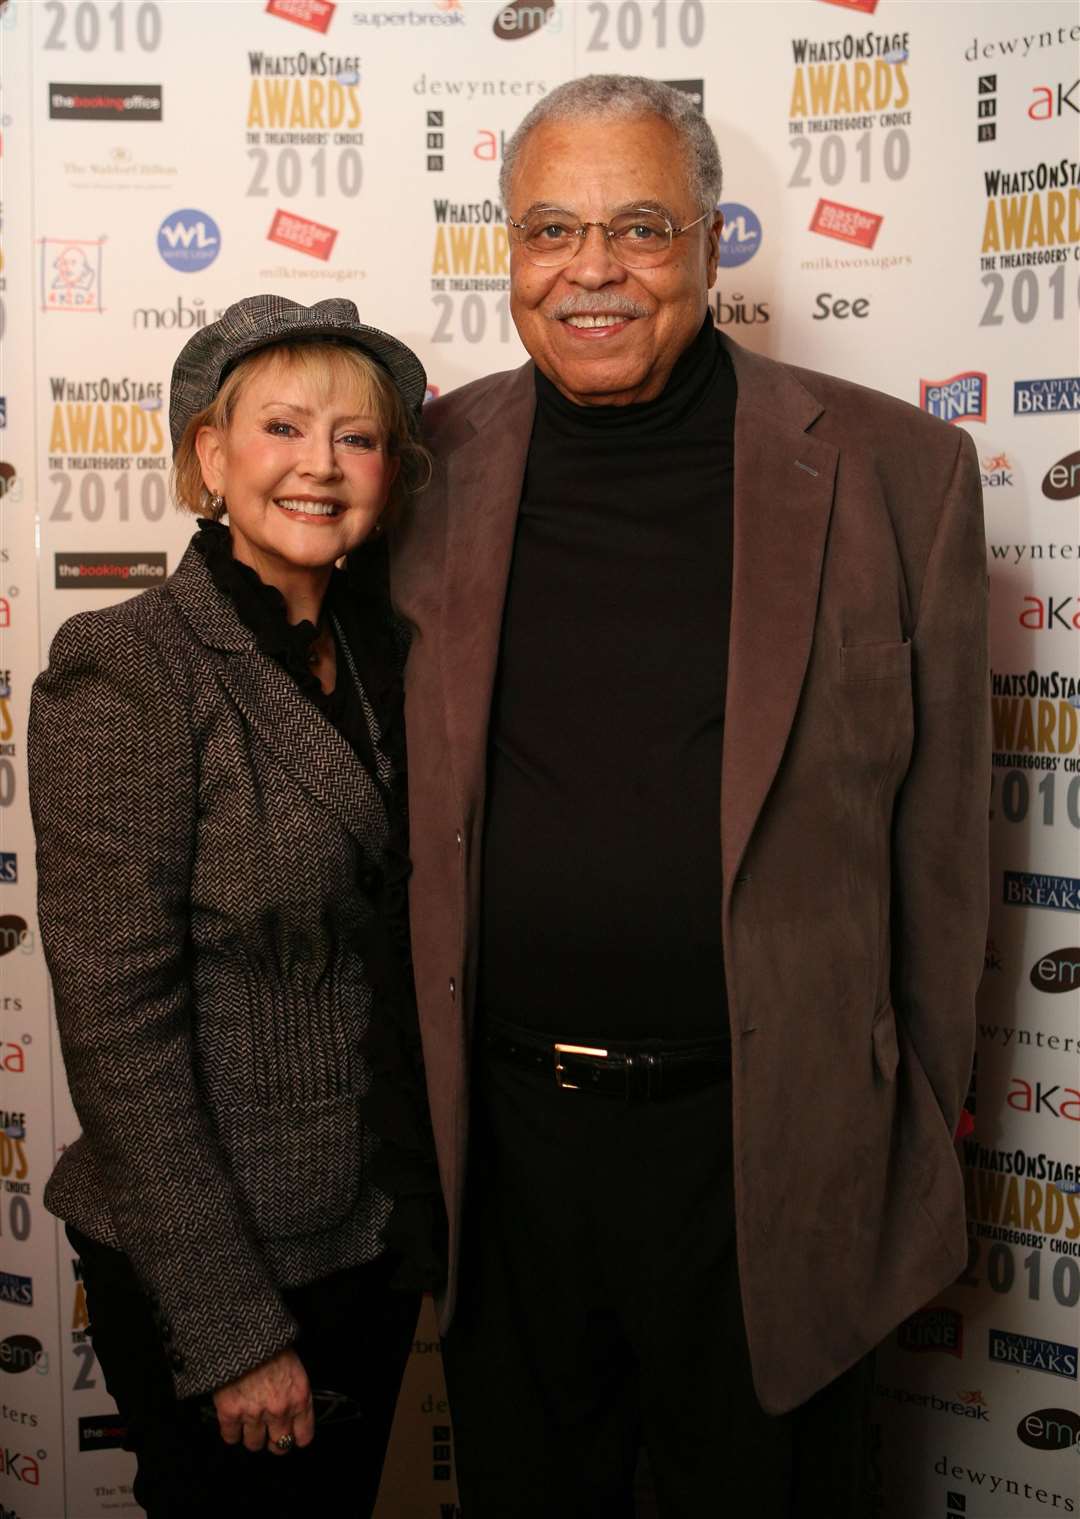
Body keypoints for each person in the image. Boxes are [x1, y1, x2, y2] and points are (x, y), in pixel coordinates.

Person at [391, 75, 989, 1518]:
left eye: (640, 226)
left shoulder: (901, 472)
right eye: (550, 228)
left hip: (776, 1161)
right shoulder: (421, 471)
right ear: (508, 251)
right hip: (509, 1162)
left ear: (714, 241)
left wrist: (907, 1137)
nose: (591, 268)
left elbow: (950, 847)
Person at [29, 296, 442, 1519]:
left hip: (372, 1232)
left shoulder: (400, 656)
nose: (321, 464)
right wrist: (230, 1331)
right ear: (209, 457)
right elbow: (117, 1033)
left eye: (357, 438)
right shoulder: (128, 669)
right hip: (218, 1259)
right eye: (283, 427)